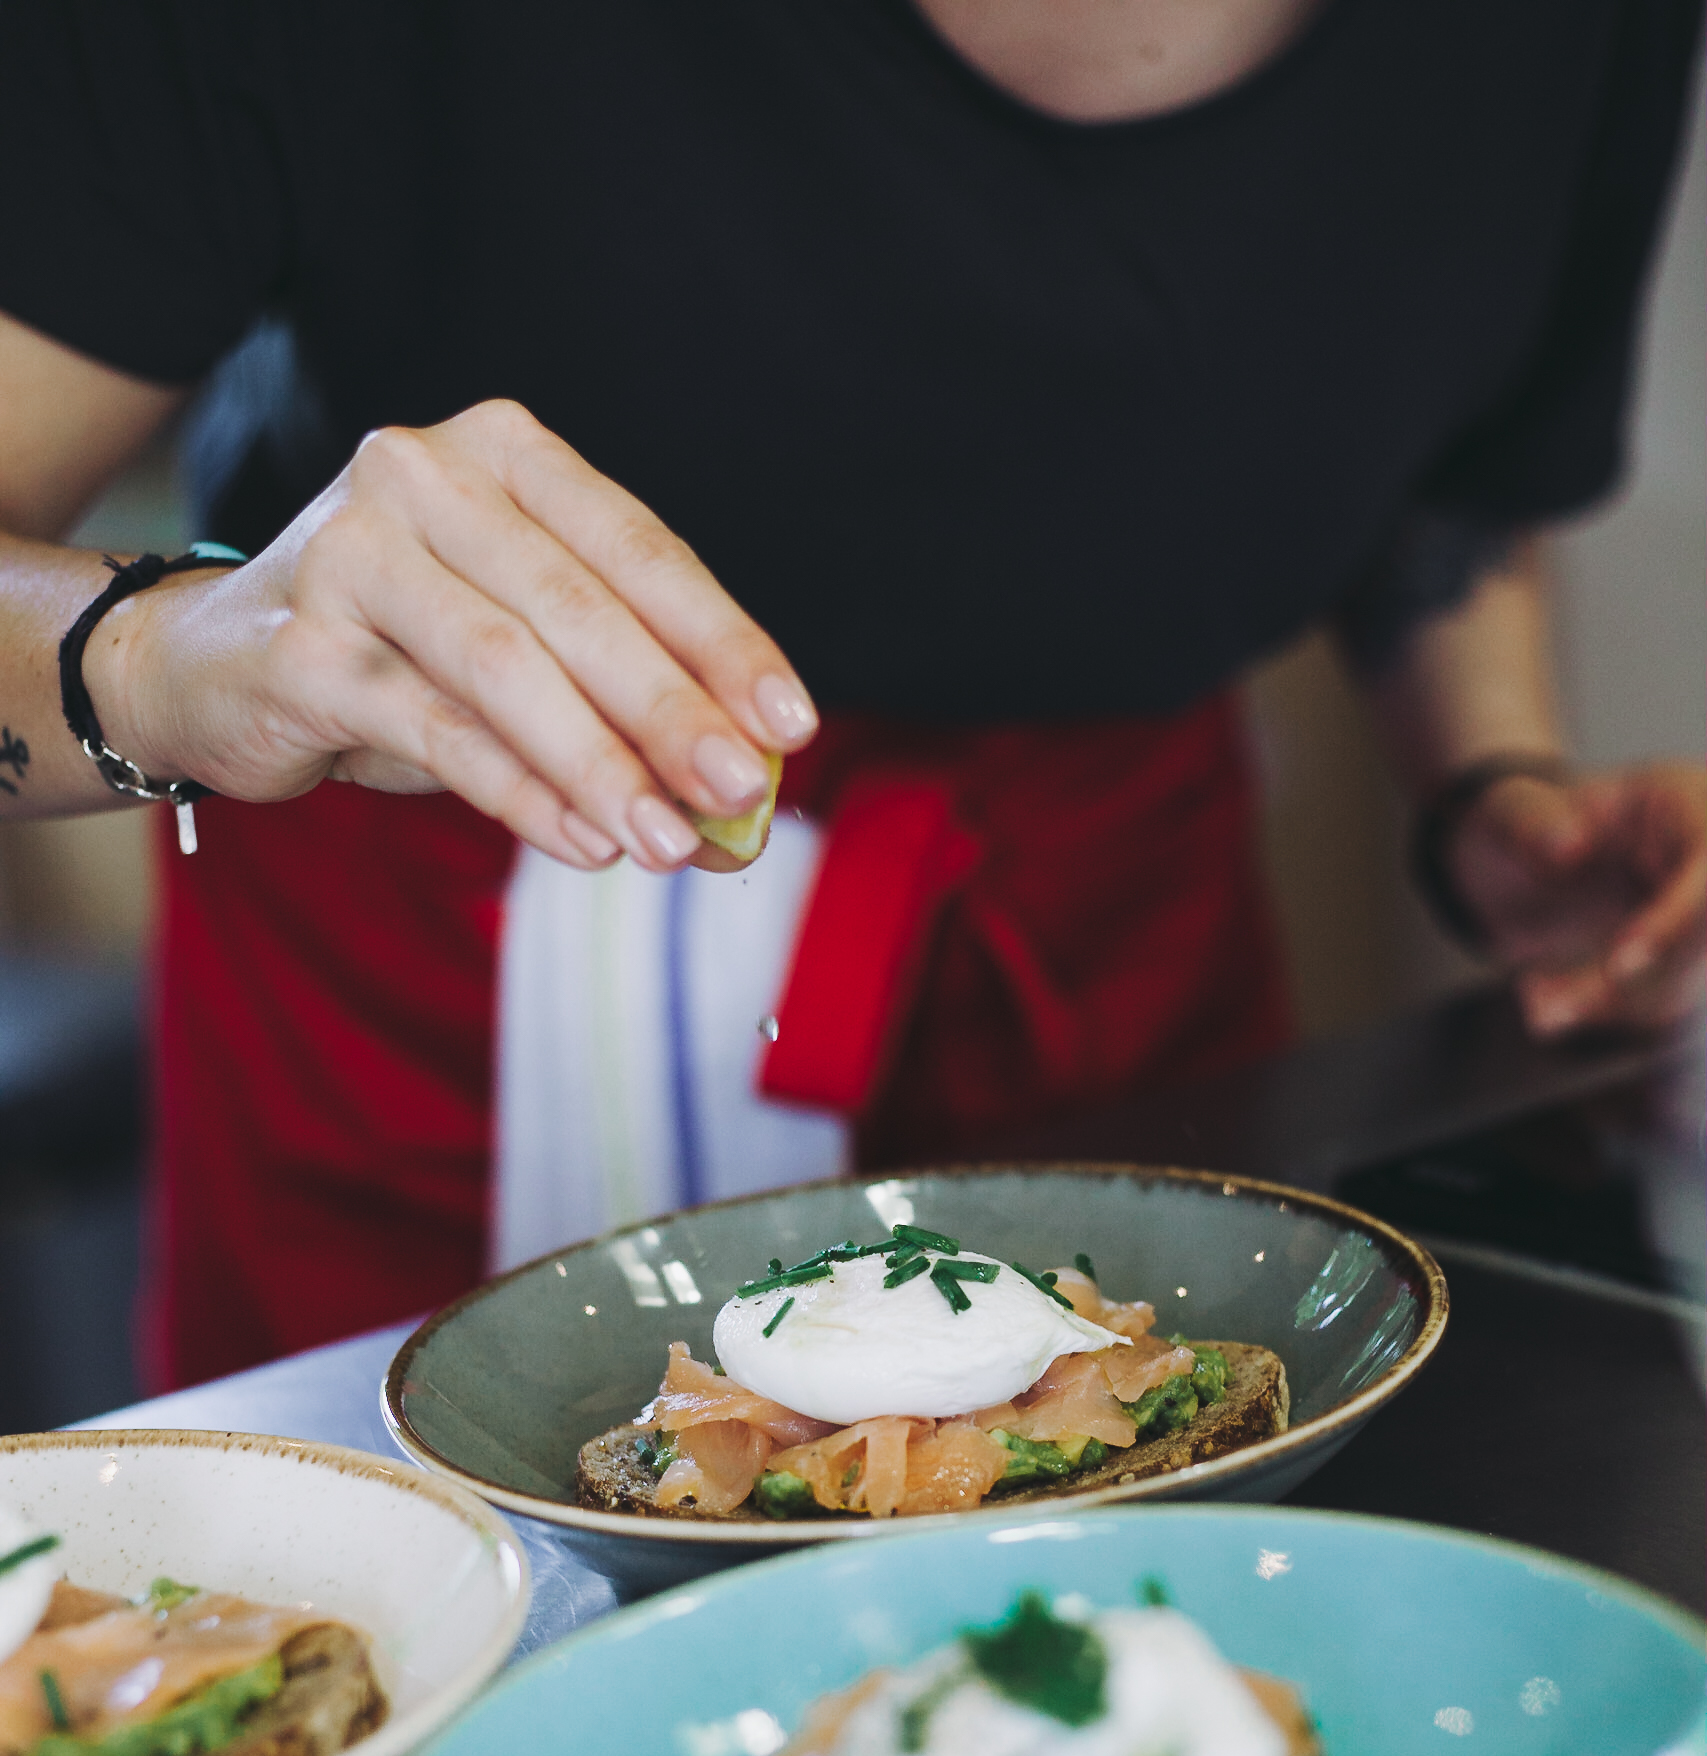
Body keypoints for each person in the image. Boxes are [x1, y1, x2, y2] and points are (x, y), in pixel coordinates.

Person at [0, 0, 1700, 1389]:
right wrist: (161, 660)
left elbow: (1448, 471)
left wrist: (1491, 785)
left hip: (1119, 988)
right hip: (451, 981)